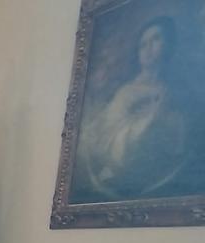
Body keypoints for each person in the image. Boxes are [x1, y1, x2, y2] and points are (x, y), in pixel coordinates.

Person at [76, 16, 190, 202]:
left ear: (168, 43)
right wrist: (153, 117)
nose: (148, 48)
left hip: (160, 174)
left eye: (155, 39)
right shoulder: (126, 93)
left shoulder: (175, 91)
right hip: (122, 166)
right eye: (143, 44)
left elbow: (178, 142)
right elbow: (111, 142)